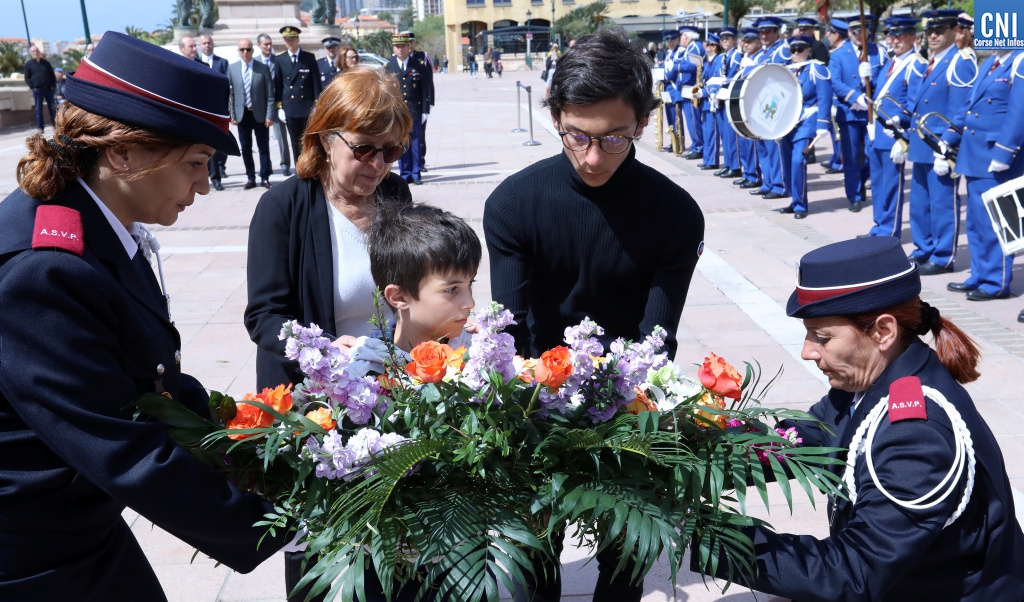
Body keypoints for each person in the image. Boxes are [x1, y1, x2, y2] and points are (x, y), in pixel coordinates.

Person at [0, 31, 294, 601]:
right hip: (31, 559)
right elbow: (122, 446)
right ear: (123, 151)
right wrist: (281, 528)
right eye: (195, 163)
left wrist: (268, 447)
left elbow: (153, 383)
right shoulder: (43, 270)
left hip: (80, 530)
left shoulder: (101, 228)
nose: (204, 186)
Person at [484, 28, 705, 600]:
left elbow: (657, 338)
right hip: (538, 398)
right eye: (576, 136)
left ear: (641, 124)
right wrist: (538, 411)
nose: (592, 157)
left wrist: (628, 411)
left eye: (614, 140)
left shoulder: (674, 214)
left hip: (628, 403)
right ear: (555, 115)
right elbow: (510, 332)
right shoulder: (513, 205)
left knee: (626, 564)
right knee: (534, 566)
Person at [697, 236, 1024, 600]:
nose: (807, 352)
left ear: (883, 331)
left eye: (822, 337)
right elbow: (803, 440)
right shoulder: (871, 377)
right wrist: (690, 458)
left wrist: (704, 537)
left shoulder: (916, 434)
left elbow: (854, 573)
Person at [243, 67, 412, 602]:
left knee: (398, 559)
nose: (379, 165)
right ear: (324, 136)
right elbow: (264, 316)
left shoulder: (397, 196)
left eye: (391, 151)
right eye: (365, 149)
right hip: (315, 411)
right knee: (327, 566)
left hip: (393, 400)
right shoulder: (285, 206)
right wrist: (320, 351)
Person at [355, 203, 479, 375]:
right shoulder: (363, 380)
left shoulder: (479, 358)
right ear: (399, 297)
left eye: (470, 284)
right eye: (451, 289)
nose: (470, 303)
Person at [940, 49, 1024, 302]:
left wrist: (1005, 150)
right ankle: (980, 274)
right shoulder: (991, 61)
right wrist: (950, 135)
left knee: (994, 223)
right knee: (976, 223)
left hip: (995, 155)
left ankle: (995, 281)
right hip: (975, 152)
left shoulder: (1019, 60)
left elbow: (1019, 110)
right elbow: (970, 103)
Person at [906, 9, 976, 277]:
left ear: (953, 31)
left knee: (942, 202)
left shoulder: (959, 62)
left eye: (940, 30)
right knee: (920, 203)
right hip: (922, 143)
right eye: (929, 31)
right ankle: (923, 247)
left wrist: (948, 143)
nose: (933, 35)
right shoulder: (931, 62)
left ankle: (943, 254)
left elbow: (961, 109)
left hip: (939, 146)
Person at [862, 16, 920, 238]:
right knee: (878, 185)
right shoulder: (891, 61)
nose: (894, 40)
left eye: (900, 36)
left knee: (891, 186)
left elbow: (914, 105)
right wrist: (867, 78)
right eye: (891, 35)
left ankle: (889, 231)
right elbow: (882, 93)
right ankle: (879, 226)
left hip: (893, 134)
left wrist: (904, 137)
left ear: (913, 38)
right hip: (877, 132)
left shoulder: (915, 63)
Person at [774, 34, 832, 219]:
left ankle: (800, 205)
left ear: (808, 50)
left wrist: (823, 123)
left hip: (807, 121)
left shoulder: (816, 69)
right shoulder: (786, 70)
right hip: (788, 123)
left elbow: (825, 97)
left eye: (800, 49)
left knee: (799, 161)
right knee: (788, 162)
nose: (797, 53)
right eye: (793, 50)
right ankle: (795, 200)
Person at [750, 16, 792, 200]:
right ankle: (768, 182)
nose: (764, 36)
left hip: (777, 103)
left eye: (768, 32)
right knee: (763, 147)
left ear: (777, 32)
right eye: (762, 32)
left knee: (775, 147)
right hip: (763, 103)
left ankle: (780, 185)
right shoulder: (762, 53)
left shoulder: (782, 50)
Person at [229, 38, 275, 189]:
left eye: (248, 49)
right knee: (246, 148)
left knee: (263, 147)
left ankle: (265, 177)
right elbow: (230, 94)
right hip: (242, 115)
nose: (245, 52)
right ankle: (250, 177)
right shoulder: (232, 68)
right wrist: (232, 114)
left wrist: (270, 115)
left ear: (253, 50)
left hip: (260, 114)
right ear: (238, 51)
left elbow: (270, 94)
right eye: (242, 49)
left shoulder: (262, 68)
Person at [385, 32, 430, 185]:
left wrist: (425, 110)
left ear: (408, 47)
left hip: (415, 110)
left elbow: (425, 89)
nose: (401, 49)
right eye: (398, 47)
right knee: (400, 143)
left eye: (403, 46)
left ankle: (416, 173)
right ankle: (405, 173)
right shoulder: (389, 67)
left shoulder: (418, 64)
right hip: (397, 112)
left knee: (416, 142)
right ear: (394, 48)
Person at [275, 26, 322, 168]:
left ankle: (311, 165)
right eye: (287, 39)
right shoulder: (280, 59)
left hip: (306, 106)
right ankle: (299, 168)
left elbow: (316, 83)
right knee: (295, 141)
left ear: (298, 39)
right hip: (290, 107)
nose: (290, 42)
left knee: (308, 140)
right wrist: (279, 107)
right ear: (284, 41)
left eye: (292, 39)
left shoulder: (308, 57)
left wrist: (316, 105)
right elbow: (278, 85)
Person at [196, 33, 231, 191]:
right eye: (204, 43)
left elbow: (227, 87)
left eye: (209, 42)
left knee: (219, 146)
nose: (207, 45)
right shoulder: (195, 63)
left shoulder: (222, 63)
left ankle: (218, 174)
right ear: (200, 45)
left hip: (218, 111)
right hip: (201, 111)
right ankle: (211, 177)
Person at [256, 33, 292, 177]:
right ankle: (267, 166)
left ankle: (285, 164)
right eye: (265, 44)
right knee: (262, 140)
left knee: (281, 136)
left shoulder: (278, 60)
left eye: (270, 44)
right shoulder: (255, 62)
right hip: (260, 105)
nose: (269, 47)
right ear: (259, 45)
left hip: (276, 103)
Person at [733, 28, 764, 190]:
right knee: (744, 142)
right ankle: (748, 173)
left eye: (750, 42)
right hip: (742, 103)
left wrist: (748, 69)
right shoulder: (746, 57)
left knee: (752, 143)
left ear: (758, 43)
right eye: (745, 42)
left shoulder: (760, 57)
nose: (746, 45)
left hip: (754, 103)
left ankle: (755, 175)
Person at [713, 27, 743, 179]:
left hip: (730, 97)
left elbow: (732, 75)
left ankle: (735, 166)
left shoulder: (737, 55)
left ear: (734, 40)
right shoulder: (723, 56)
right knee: (725, 135)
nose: (724, 42)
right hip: (721, 97)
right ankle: (728, 164)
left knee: (731, 136)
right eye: (722, 40)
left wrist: (720, 88)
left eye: (727, 39)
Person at [407, 32, 435, 174]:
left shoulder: (422, 57)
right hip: (407, 105)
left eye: (411, 42)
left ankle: (421, 161)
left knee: (420, 134)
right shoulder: (401, 60)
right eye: (407, 43)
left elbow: (429, 80)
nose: (410, 45)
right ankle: (410, 164)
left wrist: (429, 102)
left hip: (420, 103)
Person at [676, 25, 706, 160]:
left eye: (682, 36)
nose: (680, 39)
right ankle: (696, 145)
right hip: (687, 89)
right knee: (690, 120)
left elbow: (693, 66)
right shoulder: (690, 47)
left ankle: (698, 147)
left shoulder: (695, 47)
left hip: (692, 88)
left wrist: (677, 66)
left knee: (694, 120)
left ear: (687, 37)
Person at [696, 34, 723, 171]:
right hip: (705, 102)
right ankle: (707, 159)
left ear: (717, 47)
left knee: (712, 132)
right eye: (707, 44)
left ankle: (712, 160)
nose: (708, 47)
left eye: (712, 45)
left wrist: (704, 92)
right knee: (706, 132)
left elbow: (717, 81)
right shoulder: (706, 61)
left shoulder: (719, 60)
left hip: (712, 100)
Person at [659, 29, 684, 152]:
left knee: (676, 117)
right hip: (667, 88)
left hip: (674, 88)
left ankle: (680, 142)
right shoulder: (668, 53)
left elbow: (675, 71)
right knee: (669, 117)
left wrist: (665, 77)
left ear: (678, 39)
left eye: (672, 39)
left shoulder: (680, 52)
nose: (670, 42)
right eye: (668, 40)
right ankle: (673, 141)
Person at [24, 46, 57, 134]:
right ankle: (40, 128)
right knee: (38, 110)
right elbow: (27, 78)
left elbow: (52, 75)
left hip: (49, 89)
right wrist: (33, 87)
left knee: (52, 109)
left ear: (39, 52)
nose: (35, 52)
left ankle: (56, 127)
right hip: (37, 90)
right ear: (31, 53)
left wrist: (53, 86)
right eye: (33, 51)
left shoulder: (46, 63)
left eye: (36, 51)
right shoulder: (28, 64)